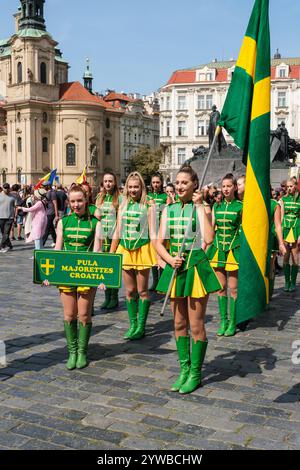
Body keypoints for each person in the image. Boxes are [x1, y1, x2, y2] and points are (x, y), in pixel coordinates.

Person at [156, 165, 221, 394]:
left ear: (194, 184)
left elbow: (210, 237)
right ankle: (184, 369)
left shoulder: (201, 208)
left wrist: (200, 206)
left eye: (185, 182)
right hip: (176, 268)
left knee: (196, 324)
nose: (181, 185)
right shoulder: (168, 210)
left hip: (195, 267)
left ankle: (196, 373)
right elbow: (158, 242)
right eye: (178, 182)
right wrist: (168, 258)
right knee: (178, 323)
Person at [43, 185, 104, 370]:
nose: (76, 205)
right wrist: (49, 275)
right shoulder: (63, 222)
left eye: (79, 201)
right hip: (67, 275)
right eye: (73, 201)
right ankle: (72, 351)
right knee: (69, 315)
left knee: (84, 315)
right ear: (68, 202)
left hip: (87, 274)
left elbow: (98, 251)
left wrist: (101, 277)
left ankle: (82, 352)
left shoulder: (96, 223)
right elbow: (58, 249)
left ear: (86, 201)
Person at [110, 171, 157, 340]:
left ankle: (141, 326)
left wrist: (159, 254)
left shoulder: (149, 204)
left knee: (143, 291)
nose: (133, 190)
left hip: (143, 250)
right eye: (130, 187)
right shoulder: (122, 204)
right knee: (130, 291)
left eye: (136, 187)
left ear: (142, 187)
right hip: (125, 249)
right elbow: (117, 230)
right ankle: (133, 324)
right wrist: (111, 254)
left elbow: (153, 232)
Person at [206, 174, 243, 337]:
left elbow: (244, 231)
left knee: (233, 289)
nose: (226, 189)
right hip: (218, 249)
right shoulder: (216, 207)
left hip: (234, 249)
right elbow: (211, 229)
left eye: (229, 186)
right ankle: (223, 321)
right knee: (221, 288)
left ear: (234, 187)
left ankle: (233, 322)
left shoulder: (241, 206)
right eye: (224, 186)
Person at [95, 171, 121, 310]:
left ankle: (114, 297)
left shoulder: (120, 199)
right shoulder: (100, 197)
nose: (108, 183)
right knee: (104, 267)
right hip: (102, 236)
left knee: (113, 267)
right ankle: (106, 296)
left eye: (110, 181)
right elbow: (97, 215)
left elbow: (120, 220)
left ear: (115, 182)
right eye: (105, 181)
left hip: (113, 237)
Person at [147, 172, 168, 290]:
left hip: (162, 231)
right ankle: (155, 281)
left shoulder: (166, 197)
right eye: (153, 182)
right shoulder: (147, 196)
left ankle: (162, 282)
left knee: (162, 256)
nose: (155, 185)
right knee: (152, 257)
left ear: (161, 183)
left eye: (158, 182)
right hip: (150, 231)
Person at [280, 178, 300, 292]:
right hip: (286, 230)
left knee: (295, 257)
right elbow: (281, 217)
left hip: (296, 229)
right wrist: (280, 236)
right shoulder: (283, 199)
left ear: (295, 186)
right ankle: (287, 282)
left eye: (291, 186)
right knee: (286, 257)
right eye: (287, 186)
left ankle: (293, 282)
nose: (289, 188)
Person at [269, 193, 286, 298]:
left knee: (270, 267)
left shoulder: (274, 204)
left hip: (271, 239)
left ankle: (268, 294)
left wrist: (281, 243)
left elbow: (278, 225)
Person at [21, 188, 48, 253]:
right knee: (40, 237)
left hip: (39, 221)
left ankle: (38, 253)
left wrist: (21, 208)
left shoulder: (39, 203)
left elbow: (31, 209)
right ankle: (40, 252)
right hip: (42, 220)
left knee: (37, 237)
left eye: (35, 195)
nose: (34, 196)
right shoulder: (43, 202)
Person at [42, 181, 59, 246]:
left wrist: (57, 215)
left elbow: (55, 204)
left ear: (48, 186)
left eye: (44, 186)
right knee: (51, 228)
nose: (43, 187)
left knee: (47, 228)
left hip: (51, 212)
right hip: (48, 211)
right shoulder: (47, 192)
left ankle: (42, 243)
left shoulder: (52, 193)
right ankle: (56, 240)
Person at [0, 183, 15, 253]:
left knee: (6, 233)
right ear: (3, 188)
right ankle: (9, 245)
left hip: (10, 217)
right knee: (4, 233)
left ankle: (1, 246)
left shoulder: (12, 196)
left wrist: (15, 216)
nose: (6, 189)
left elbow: (15, 207)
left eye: (7, 188)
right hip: (1, 217)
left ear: (9, 188)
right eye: (5, 188)